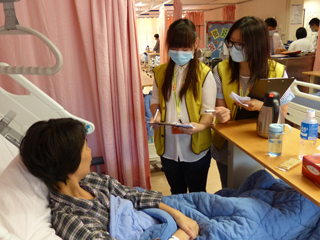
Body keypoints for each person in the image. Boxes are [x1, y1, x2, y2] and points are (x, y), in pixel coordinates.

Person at [19, 118, 199, 240]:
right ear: (69, 163)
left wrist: (179, 215)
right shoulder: (70, 220)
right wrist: (181, 236)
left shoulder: (92, 181)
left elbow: (133, 195)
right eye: (85, 147)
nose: (90, 152)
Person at [211, 16, 295, 188]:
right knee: (230, 190)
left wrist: (262, 107)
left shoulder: (277, 72)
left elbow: (283, 116)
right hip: (228, 145)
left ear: (257, 45)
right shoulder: (221, 70)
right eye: (231, 42)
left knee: (256, 191)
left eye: (240, 44)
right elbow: (220, 108)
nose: (233, 48)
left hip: (262, 146)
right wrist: (222, 115)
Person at [149, 19, 216, 194]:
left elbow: (209, 112)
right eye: (175, 47)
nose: (179, 52)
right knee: (176, 192)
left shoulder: (204, 74)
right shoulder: (160, 72)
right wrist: (156, 117)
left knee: (197, 193)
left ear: (195, 45)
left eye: (185, 48)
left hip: (195, 149)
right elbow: (155, 101)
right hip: (168, 147)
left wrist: (200, 126)